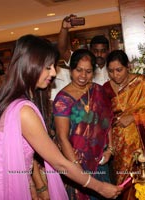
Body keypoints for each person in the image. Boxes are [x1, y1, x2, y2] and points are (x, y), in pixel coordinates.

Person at [0, 34, 122, 200]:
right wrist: (100, 187)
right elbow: (59, 162)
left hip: (5, 182)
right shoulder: (23, 110)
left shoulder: (11, 100)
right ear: (31, 65)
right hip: (2, 190)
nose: (53, 72)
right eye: (48, 67)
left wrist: (33, 185)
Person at [103, 50, 145, 199]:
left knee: (144, 182)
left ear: (128, 66)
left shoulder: (142, 83)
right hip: (118, 145)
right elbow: (103, 117)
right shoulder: (105, 89)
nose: (115, 75)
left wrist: (134, 117)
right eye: (111, 71)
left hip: (142, 143)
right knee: (123, 183)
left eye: (119, 70)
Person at [53, 49, 113, 199]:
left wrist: (110, 149)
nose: (83, 76)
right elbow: (62, 137)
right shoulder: (63, 99)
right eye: (79, 70)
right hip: (76, 162)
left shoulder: (98, 90)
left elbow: (107, 122)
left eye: (88, 71)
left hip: (100, 159)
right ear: (71, 70)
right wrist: (76, 167)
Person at [51, 14, 110, 101]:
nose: (99, 54)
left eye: (103, 51)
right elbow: (62, 50)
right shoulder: (81, 61)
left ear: (108, 51)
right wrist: (64, 29)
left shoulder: (113, 68)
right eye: (95, 51)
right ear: (90, 50)